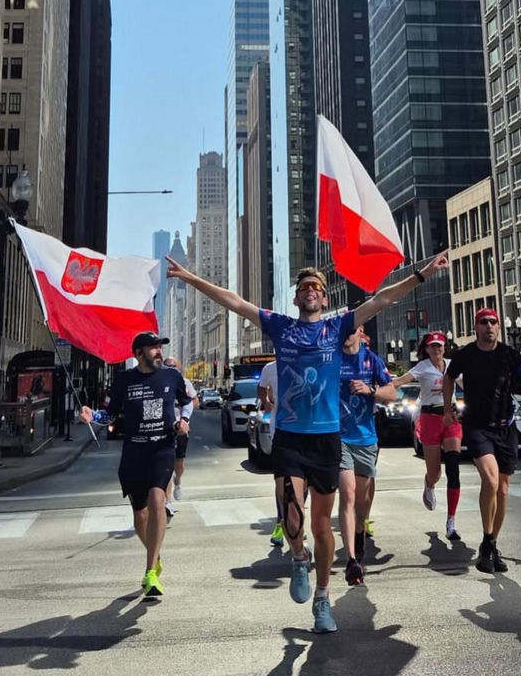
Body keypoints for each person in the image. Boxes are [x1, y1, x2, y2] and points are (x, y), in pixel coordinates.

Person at [167, 250, 449, 633]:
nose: (311, 291)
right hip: (291, 437)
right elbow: (234, 301)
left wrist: (422, 274)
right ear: (297, 298)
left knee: (320, 525)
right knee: (291, 515)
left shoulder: (336, 328)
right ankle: (299, 557)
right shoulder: (282, 327)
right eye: (304, 288)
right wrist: (190, 278)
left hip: (327, 439)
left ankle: (322, 598)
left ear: (325, 297)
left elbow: (382, 299)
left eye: (316, 287)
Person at [80, 332, 193, 597]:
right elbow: (109, 413)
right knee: (139, 515)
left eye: (159, 347)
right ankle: (155, 556)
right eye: (153, 348)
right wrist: (92, 415)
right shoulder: (124, 380)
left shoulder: (171, 376)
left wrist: (183, 421)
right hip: (134, 451)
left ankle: (150, 572)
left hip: (162, 448)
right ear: (138, 354)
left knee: (157, 500)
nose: (158, 352)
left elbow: (187, 403)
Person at [442, 308, 521, 575]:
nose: (489, 327)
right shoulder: (466, 354)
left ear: (499, 326)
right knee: (491, 479)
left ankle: (491, 544)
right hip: (477, 427)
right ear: (476, 327)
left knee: (504, 490)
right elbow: (448, 376)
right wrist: (448, 407)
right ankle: (486, 538)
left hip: (504, 428)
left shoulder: (509, 356)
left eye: (493, 322)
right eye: (484, 322)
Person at [392, 331, 464, 541]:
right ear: (427, 349)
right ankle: (429, 484)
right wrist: (378, 385)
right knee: (435, 472)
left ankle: (451, 521)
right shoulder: (423, 367)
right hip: (430, 417)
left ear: (445, 347)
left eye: (439, 346)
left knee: (453, 466)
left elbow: (469, 385)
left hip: (449, 417)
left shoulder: (452, 365)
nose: (436, 350)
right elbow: (401, 381)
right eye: (432, 346)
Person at [338, 325, 395, 585]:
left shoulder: (372, 360)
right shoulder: (332, 358)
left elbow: (391, 394)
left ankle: (359, 538)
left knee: (361, 501)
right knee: (347, 493)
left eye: (350, 330)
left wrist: (370, 390)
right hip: (338, 438)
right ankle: (351, 560)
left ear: (360, 331)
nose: (345, 335)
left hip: (365, 438)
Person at [163, 356, 198, 516]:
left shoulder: (185, 383)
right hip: (164, 428)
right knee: (166, 465)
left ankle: (178, 482)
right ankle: (168, 500)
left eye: (173, 366)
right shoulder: (159, 381)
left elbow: (194, 401)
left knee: (178, 464)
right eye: (167, 366)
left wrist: (184, 417)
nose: (171, 368)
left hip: (181, 428)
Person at [256, 359, 285, 548]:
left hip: (306, 431)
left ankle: (291, 519)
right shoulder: (270, 368)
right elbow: (261, 387)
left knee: (304, 485)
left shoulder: (307, 360)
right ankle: (281, 523)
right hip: (280, 431)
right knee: (282, 481)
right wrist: (265, 401)